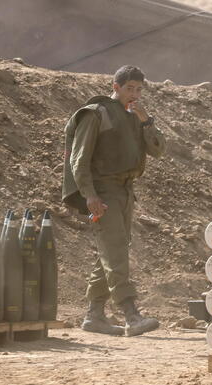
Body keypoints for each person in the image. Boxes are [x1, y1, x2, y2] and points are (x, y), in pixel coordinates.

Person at [62, 65, 166, 337]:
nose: (134, 94)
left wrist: (147, 122)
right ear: (115, 86)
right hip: (103, 190)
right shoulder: (97, 113)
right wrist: (89, 195)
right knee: (116, 250)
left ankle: (94, 315)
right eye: (129, 88)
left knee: (112, 249)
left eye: (139, 90)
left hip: (125, 191)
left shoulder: (134, 116)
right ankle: (131, 315)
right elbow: (79, 159)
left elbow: (158, 150)